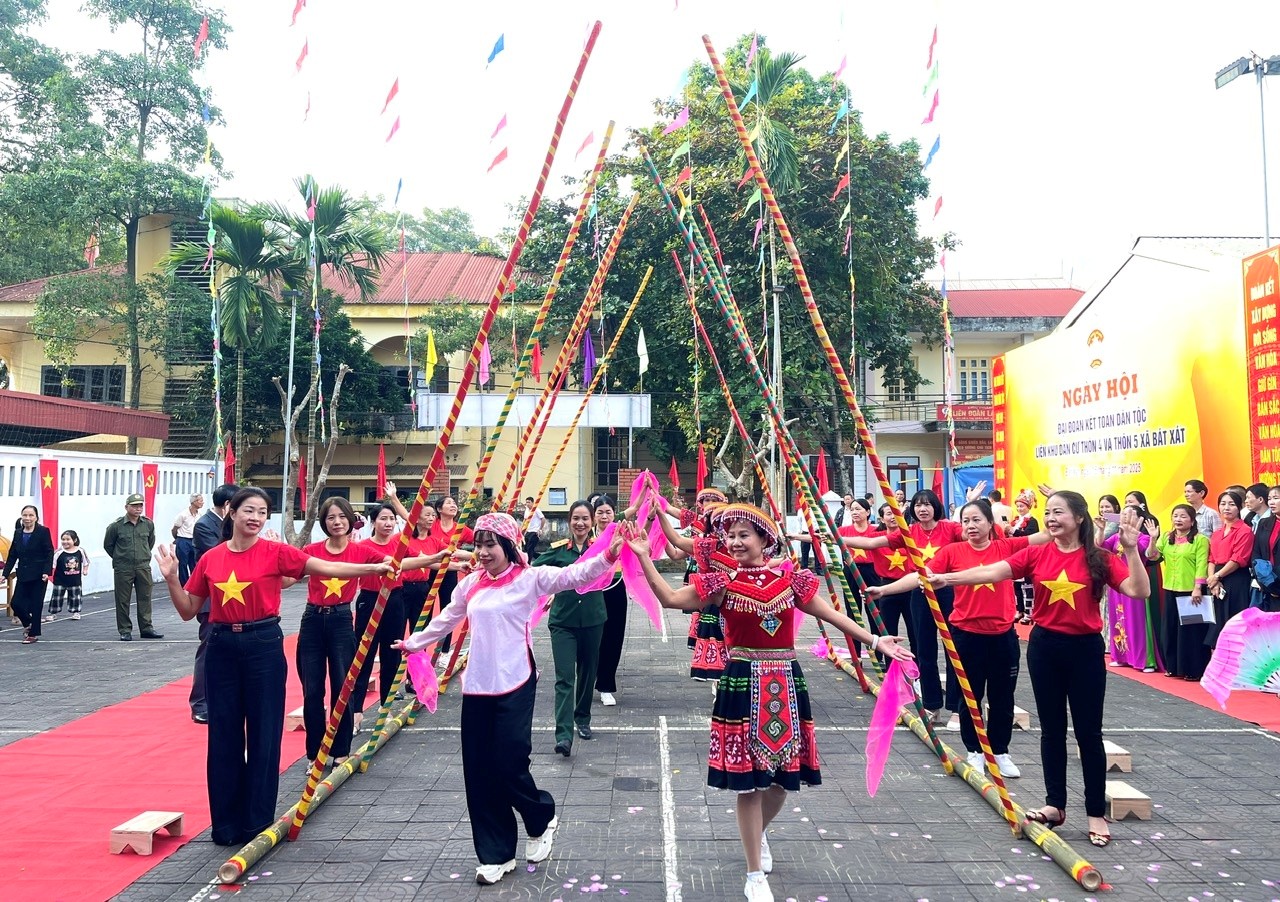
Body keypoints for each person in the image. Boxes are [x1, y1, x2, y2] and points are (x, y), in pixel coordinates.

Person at [621, 504, 912, 902]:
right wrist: (642, 557)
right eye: (731, 536)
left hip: (786, 683)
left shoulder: (793, 580)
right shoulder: (720, 582)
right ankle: (754, 871)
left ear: (764, 539)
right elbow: (672, 598)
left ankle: (755, 835)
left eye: (744, 535)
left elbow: (833, 615)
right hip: (741, 682)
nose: (735, 542)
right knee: (750, 784)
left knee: (781, 783)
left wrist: (876, 641)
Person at [394, 512, 623, 886]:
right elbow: (448, 618)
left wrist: (608, 556)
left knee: (509, 762)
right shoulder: (470, 585)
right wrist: (414, 643)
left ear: (509, 546)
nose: (483, 552)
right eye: (479, 545)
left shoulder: (530, 580)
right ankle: (496, 854)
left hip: (516, 681)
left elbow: (575, 575)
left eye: (490, 545)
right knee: (479, 772)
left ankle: (540, 816)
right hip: (478, 687)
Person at [157, 488, 392, 846]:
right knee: (223, 736)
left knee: (265, 733)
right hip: (221, 647)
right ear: (231, 513)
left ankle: (256, 823)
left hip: (263, 644)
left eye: (262, 512)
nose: (255, 517)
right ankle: (225, 825)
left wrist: (374, 566)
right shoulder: (212, 559)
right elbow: (189, 610)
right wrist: (172, 577)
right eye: (248, 510)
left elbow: (328, 567)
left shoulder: (276, 552)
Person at [928, 492, 1149, 848]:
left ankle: (1095, 812)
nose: (1050, 518)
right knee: (1052, 731)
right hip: (1045, 648)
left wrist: (1132, 550)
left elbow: (1139, 591)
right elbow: (991, 571)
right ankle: (1055, 805)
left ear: (1079, 517)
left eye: (1058, 512)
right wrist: (948, 579)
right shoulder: (1035, 553)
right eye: (1047, 513)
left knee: (1088, 734)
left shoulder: (1100, 559)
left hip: (1086, 650)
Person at [872, 498, 1048, 777]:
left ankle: (1000, 751)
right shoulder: (952, 552)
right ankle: (975, 751)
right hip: (967, 635)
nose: (971, 526)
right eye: (966, 521)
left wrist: (1052, 502)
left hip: (1003, 636)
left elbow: (1047, 534)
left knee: (1003, 698)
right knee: (970, 696)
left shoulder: (1007, 547)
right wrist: (885, 590)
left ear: (991, 523)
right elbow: (922, 576)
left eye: (977, 520)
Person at [297, 497, 401, 768]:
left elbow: (395, 563)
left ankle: (340, 749)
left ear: (350, 521)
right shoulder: (311, 550)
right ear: (324, 522)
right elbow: (285, 578)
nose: (337, 522)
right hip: (312, 621)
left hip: (341, 621)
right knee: (311, 691)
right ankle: (314, 754)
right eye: (331, 518)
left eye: (341, 517)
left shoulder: (360, 551)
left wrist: (437, 560)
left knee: (343, 686)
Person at [536, 500, 608, 755]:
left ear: (592, 522)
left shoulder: (601, 549)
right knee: (564, 677)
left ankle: (583, 718)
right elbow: (531, 572)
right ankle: (564, 735)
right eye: (576, 518)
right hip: (563, 623)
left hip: (593, 619)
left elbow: (618, 570)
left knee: (588, 673)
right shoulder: (557, 551)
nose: (580, 523)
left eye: (585, 519)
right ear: (569, 521)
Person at [189, 483, 237, 724]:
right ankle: (200, 703)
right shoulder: (204, 525)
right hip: (211, 598)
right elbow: (221, 555)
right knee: (208, 650)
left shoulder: (232, 525)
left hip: (235, 596)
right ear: (228, 505)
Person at [1147, 504, 1210, 679]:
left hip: (1191, 591)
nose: (1178, 519)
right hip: (1170, 589)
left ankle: (1193, 670)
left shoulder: (1200, 540)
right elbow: (1152, 556)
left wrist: (1198, 588)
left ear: (1192, 520)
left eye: (1183, 516)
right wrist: (1153, 539)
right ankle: (1173, 667)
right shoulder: (1167, 537)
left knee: (1191, 632)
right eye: (1175, 516)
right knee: (1170, 629)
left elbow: (1201, 565)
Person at [1102, 505, 1156, 670]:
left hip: (1135, 583)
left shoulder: (1143, 537)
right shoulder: (1116, 537)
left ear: (1137, 517)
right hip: (1118, 583)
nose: (1125, 517)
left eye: (1129, 514)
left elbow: (1149, 554)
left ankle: (1144, 660)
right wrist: (1100, 530)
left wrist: (1153, 539)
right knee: (1119, 619)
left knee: (1136, 622)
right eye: (1123, 514)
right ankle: (1122, 656)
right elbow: (1101, 547)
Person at [103, 493, 162, 641]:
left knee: (145, 597)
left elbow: (150, 542)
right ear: (126, 507)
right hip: (123, 567)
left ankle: (146, 628)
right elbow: (108, 545)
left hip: (142, 565)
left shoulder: (148, 524)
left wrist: (143, 555)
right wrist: (120, 557)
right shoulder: (116, 526)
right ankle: (124, 630)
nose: (138, 508)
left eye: (140, 505)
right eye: (135, 505)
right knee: (123, 600)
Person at [592, 495, 628, 707]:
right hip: (591, 592)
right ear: (594, 515)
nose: (604, 516)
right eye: (600, 512)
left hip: (615, 589)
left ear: (614, 513)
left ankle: (606, 685)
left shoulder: (621, 534)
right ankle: (589, 677)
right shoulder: (586, 535)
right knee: (592, 638)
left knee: (613, 638)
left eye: (608, 512)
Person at [1205, 489, 1253, 648]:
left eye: (1231, 504)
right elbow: (1211, 558)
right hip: (1216, 578)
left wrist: (1217, 576)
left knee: (1234, 620)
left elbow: (1238, 559)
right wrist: (1212, 580)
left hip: (1235, 577)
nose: (1226, 508)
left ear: (1239, 507)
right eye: (1223, 504)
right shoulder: (1217, 533)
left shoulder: (1244, 530)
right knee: (1216, 622)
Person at [1122, 490, 1164, 672]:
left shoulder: (1149, 523)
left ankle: (1148, 657)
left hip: (1147, 570)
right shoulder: (1119, 530)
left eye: (1131, 503)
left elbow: (1151, 554)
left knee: (1145, 615)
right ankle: (1127, 654)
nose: (1128, 507)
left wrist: (1152, 539)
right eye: (1125, 504)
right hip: (1126, 573)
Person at [428, 494, 474, 653]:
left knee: (447, 610)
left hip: (451, 570)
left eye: (454, 503)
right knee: (425, 610)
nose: (453, 505)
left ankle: (444, 651)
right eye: (448, 503)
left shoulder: (460, 528)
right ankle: (422, 650)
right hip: (430, 569)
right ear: (439, 509)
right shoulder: (431, 524)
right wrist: (393, 498)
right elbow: (409, 518)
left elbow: (481, 539)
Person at [3, 506, 54, 644]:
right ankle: (29, 624)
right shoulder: (18, 532)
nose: (27, 518)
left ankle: (33, 634)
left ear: (36, 517)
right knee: (16, 603)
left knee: (36, 605)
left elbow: (49, 552)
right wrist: (5, 574)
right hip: (23, 574)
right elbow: (13, 554)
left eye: (31, 515)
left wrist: (46, 571)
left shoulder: (43, 531)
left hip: (39, 574)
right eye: (25, 515)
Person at [1009, 489, 1040, 624]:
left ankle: (1029, 613)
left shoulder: (1033, 521)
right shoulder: (1015, 521)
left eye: (1022, 506)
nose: (1019, 508)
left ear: (1028, 506)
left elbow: (1030, 536)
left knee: (1027, 586)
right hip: (1015, 555)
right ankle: (1019, 610)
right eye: (1018, 506)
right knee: (1016, 586)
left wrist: (1014, 532)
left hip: (1028, 556)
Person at [48, 530, 89, 622]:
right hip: (60, 580)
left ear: (74, 540)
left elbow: (86, 562)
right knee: (56, 597)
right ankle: (53, 613)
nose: (65, 542)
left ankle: (76, 612)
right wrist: (47, 574)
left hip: (75, 580)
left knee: (75, 597)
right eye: (63, 539)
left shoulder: (80, 551)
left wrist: (85, 570)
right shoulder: (58, 552)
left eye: (68, 539)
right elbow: (52, 565)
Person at [1250, 486, 1280, 610]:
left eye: (1276, 498)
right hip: (1268, 585)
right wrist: (1266, 581)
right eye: (1269, 499)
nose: (1271, 502)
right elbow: (1256, 553)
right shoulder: (1264, 523)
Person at [172, 493, 204, 584]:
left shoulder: (199, 515)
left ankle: (194, 584)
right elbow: (175, 529)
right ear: (194, 502)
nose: (202, 502)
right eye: (200, 500)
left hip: (193, 541)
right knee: (182, 564)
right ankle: (184, 585)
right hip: (183, 540)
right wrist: (177, 539)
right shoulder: (183, 515)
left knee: (193, 563)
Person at [521, 496, 546, 561]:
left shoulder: (536, 510)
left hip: (535, 531)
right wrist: (522, 528)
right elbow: (525, 519)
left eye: (529, 502)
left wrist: (540, 529)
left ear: (532, 503)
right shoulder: (526, 510)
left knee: (530, 548)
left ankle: (528, 563)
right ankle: (541, 558)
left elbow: (543, 519)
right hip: (528, 531)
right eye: (526, 502)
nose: (527, 504)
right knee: (526, 548)